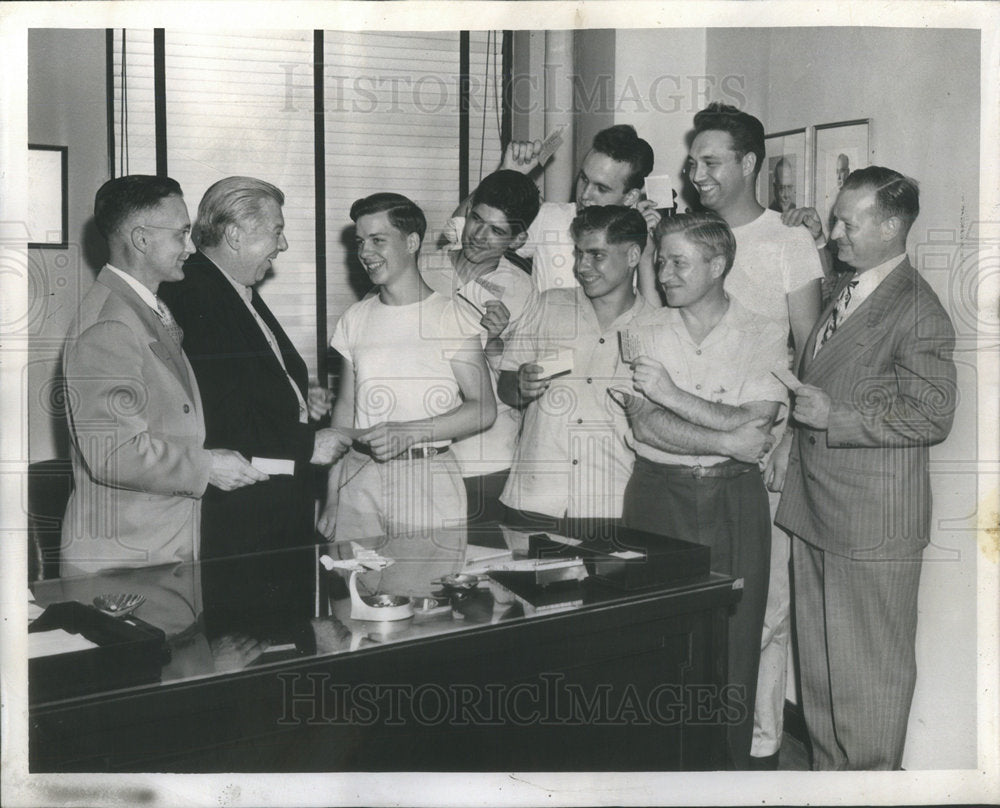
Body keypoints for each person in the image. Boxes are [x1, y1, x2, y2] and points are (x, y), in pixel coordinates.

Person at [776, 167, 957, 770]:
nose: (835, 232)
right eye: (835, 219)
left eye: (848, 223)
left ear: (890, 227)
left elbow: (933, 415)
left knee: (870, 683)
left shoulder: (917, 307)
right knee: (824, 680)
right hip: (818, 509)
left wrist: (837, 417)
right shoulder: (848, 287)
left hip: (874, 526)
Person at [674, 102, 825, 768]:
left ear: (749, 164)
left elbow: (812, 350)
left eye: (710, 161)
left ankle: (758, 746)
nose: (696, 172)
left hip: (760, 448)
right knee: (688, 596)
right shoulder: (684, 237)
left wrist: (791, 439)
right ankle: (692, 740)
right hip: (683, 448)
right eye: (693, 160)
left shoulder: (787, 241)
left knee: (763, 606)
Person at [615, 211, 787, 769]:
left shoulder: (763, 330)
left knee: (736, 646)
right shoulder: (641, 328)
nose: (663, 272)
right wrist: (729, 433)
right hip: (656, 494)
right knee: (655, 639)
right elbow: (647, 425)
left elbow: (757, 427)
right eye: (660, 259)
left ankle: (728, 777)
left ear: (717, 265)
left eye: (678, 261)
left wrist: (672, 393)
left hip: (734, 500)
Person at [158, 176, 353, 630]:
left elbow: (247, 382)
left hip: (273, 506)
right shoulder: (195, 294)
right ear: (234, 234)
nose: (282, 245)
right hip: (242, 518)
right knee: (259, 646)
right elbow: (219, 415)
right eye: (276, 231)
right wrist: (308, 444)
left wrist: (298, 397)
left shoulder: (233, 289)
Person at [61, 175, 267, 576]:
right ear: (141, 239)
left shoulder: (143, 309)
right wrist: (207, 467)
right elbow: (114, 453)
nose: (189, 248)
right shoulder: (111, 325)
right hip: (124, 564)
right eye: (180, 234)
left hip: (156, 551)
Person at [317, 193, 496, 543]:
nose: (365, 252)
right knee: (352, 593)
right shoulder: (355, 318)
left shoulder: (451, 316)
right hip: (359, 476)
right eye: (360, 242)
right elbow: (346, 412)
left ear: (411, 242)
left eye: (378, 240)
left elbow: (483, 409)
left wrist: (409, 432)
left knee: (423, 595)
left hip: (428, 477)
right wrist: (333, 497)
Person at [497, 205, 658, 527]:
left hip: (610, 504)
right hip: (534, 498)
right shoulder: (547, 304)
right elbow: (507, 386)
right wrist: (521, 386)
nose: (582, 266)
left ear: (632, 256)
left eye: (596, 255)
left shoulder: (657, 327)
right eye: (579, 253)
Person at [420, 170, 541, 532]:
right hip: (420, 454)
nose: (479, 236)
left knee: (480, 569)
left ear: (518, 239)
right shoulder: (423, 267)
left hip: (485, 461)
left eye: (497, 231)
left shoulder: (521, 290)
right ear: (468, 210)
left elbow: (518, 390)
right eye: (476, 219)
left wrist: (495, 345)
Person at [493, 124, 659, 292]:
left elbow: (655, 316)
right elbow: (469, 231)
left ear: (630, 197)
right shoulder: (549, 217)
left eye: (601, 188)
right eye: (584, 179)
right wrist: (504, 174)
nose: (585, 195)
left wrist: (645, 254)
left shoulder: (642, 242)